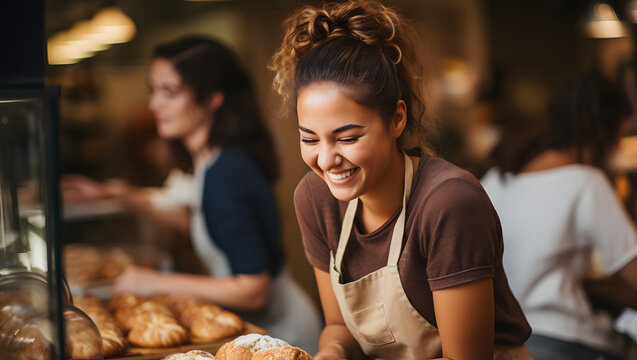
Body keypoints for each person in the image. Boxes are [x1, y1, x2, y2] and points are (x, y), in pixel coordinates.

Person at [269, 1, 532, 359]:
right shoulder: (316, 198)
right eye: (310, 139)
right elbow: (339, 327)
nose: (327, 160)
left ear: (396, 119)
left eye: (347, 138)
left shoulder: (449, 203)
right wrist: (331, 353)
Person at [78, 35, 322, 352]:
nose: (154, 104)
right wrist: (120, 196)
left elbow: (254, 289)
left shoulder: (226, 173)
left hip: (280, 335)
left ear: (212, 99)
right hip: (258, 332)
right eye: (154, 91)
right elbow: (206, 221)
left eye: (170, 91)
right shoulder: (213, 160)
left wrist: (154, 281)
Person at [481, 71, 637, 360]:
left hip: (500, 343)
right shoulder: (586, 181)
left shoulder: (495, 179)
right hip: (563, 341)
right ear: (601, 134)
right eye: (616, 141)